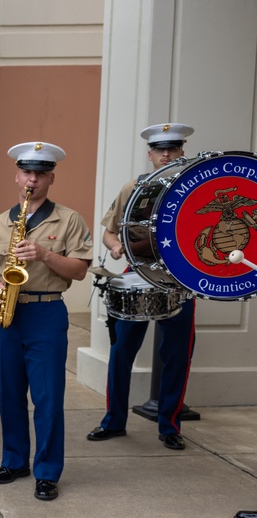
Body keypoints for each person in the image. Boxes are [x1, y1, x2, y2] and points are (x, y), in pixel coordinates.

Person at [0, 141, 93, 501]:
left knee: (48, 397)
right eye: (27, 172)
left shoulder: (69, 219)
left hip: (45, 311)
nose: (33, 179)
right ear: (17, 176)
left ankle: (47, 471)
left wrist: (43, 254)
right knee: (10, 394)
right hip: (6, 312)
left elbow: (80, 270)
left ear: (51, 178)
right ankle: (14, 461)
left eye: (40, 173)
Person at [87, 123, 196, 451]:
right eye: (160, 149)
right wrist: (115, 246)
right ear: (149, 154)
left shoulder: (193, 187)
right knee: (122, 351)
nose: (166, 154)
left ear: (182, 152)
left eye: (173, 149)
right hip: (139, 275)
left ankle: (169, 425)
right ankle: (114, 421)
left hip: (179, 280)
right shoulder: (133, 187)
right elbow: (109, 231)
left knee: (177, 354)